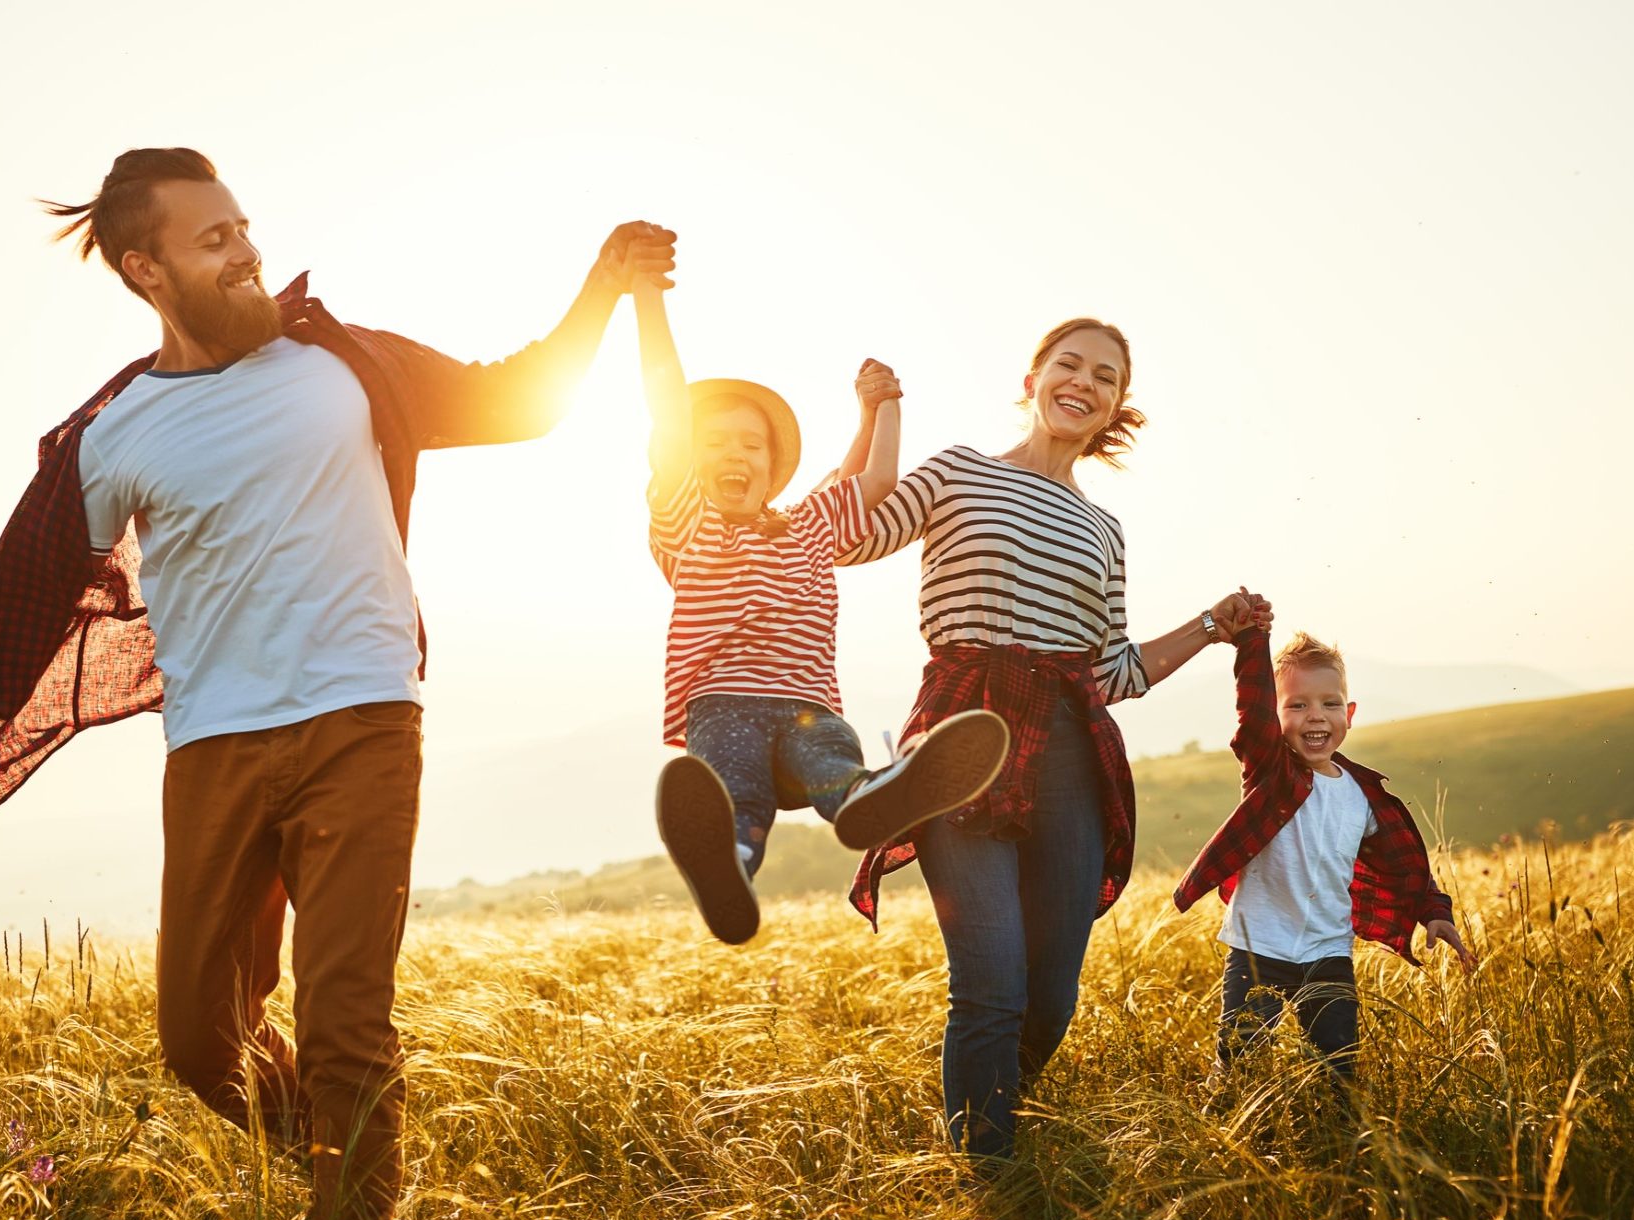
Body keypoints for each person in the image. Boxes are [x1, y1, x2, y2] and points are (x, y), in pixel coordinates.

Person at [0, 146, 674, 1220]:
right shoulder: (115, 431)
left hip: (362, 720)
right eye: (212, 238)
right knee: (197, 1039)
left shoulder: (342, 363)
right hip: (214, 744)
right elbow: (28, 602)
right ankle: (340, 1151)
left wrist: (601, 282)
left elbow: (519, 399)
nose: (247, 249)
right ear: (145, 268)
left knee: (344, 1014)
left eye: (244, 227)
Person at [838, 319, 1270, 1163]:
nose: (1083, 382)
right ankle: (988, 1180)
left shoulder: (1103, 529)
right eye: (1068, 364)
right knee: (990, 984)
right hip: (963, 740)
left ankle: (1000, 1114)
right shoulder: (959, 470)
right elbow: (854, 535)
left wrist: (1213, 625)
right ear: (1033, 376)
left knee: (1048, 997)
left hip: (1071, 750)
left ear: (1115, 405)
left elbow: (1112, 670)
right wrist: (874, 415)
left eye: (1104, 377)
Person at [632, 269, 1007, 945]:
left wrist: (883, 404)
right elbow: (663, 402)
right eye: (714, 444)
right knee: (734, 796)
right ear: (687, 461)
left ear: (772, 466)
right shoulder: (687, 521)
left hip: (809, 707)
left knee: (832, 764)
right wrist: (647, 299)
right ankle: (731, 870)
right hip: (722, 703)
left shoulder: (810, 524)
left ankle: (871, 799)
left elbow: (876, 479)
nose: (733, 454)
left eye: (750, 445)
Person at [1173, 625, 1475, 1092]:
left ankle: (1338, 1144)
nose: (1316, 716)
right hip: (1259, 950)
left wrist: (1433, 911)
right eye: (1297, 705)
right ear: (1274, 719)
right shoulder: (1270, 773)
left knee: (1339, 1074)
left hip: (1329, 952)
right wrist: (1253, 637)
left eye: (1330, 703)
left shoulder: (1362, 796)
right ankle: (1222, 1131)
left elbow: (1403, 866)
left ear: (1349, 714)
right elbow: (1251, 706)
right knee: (1240, 1065)